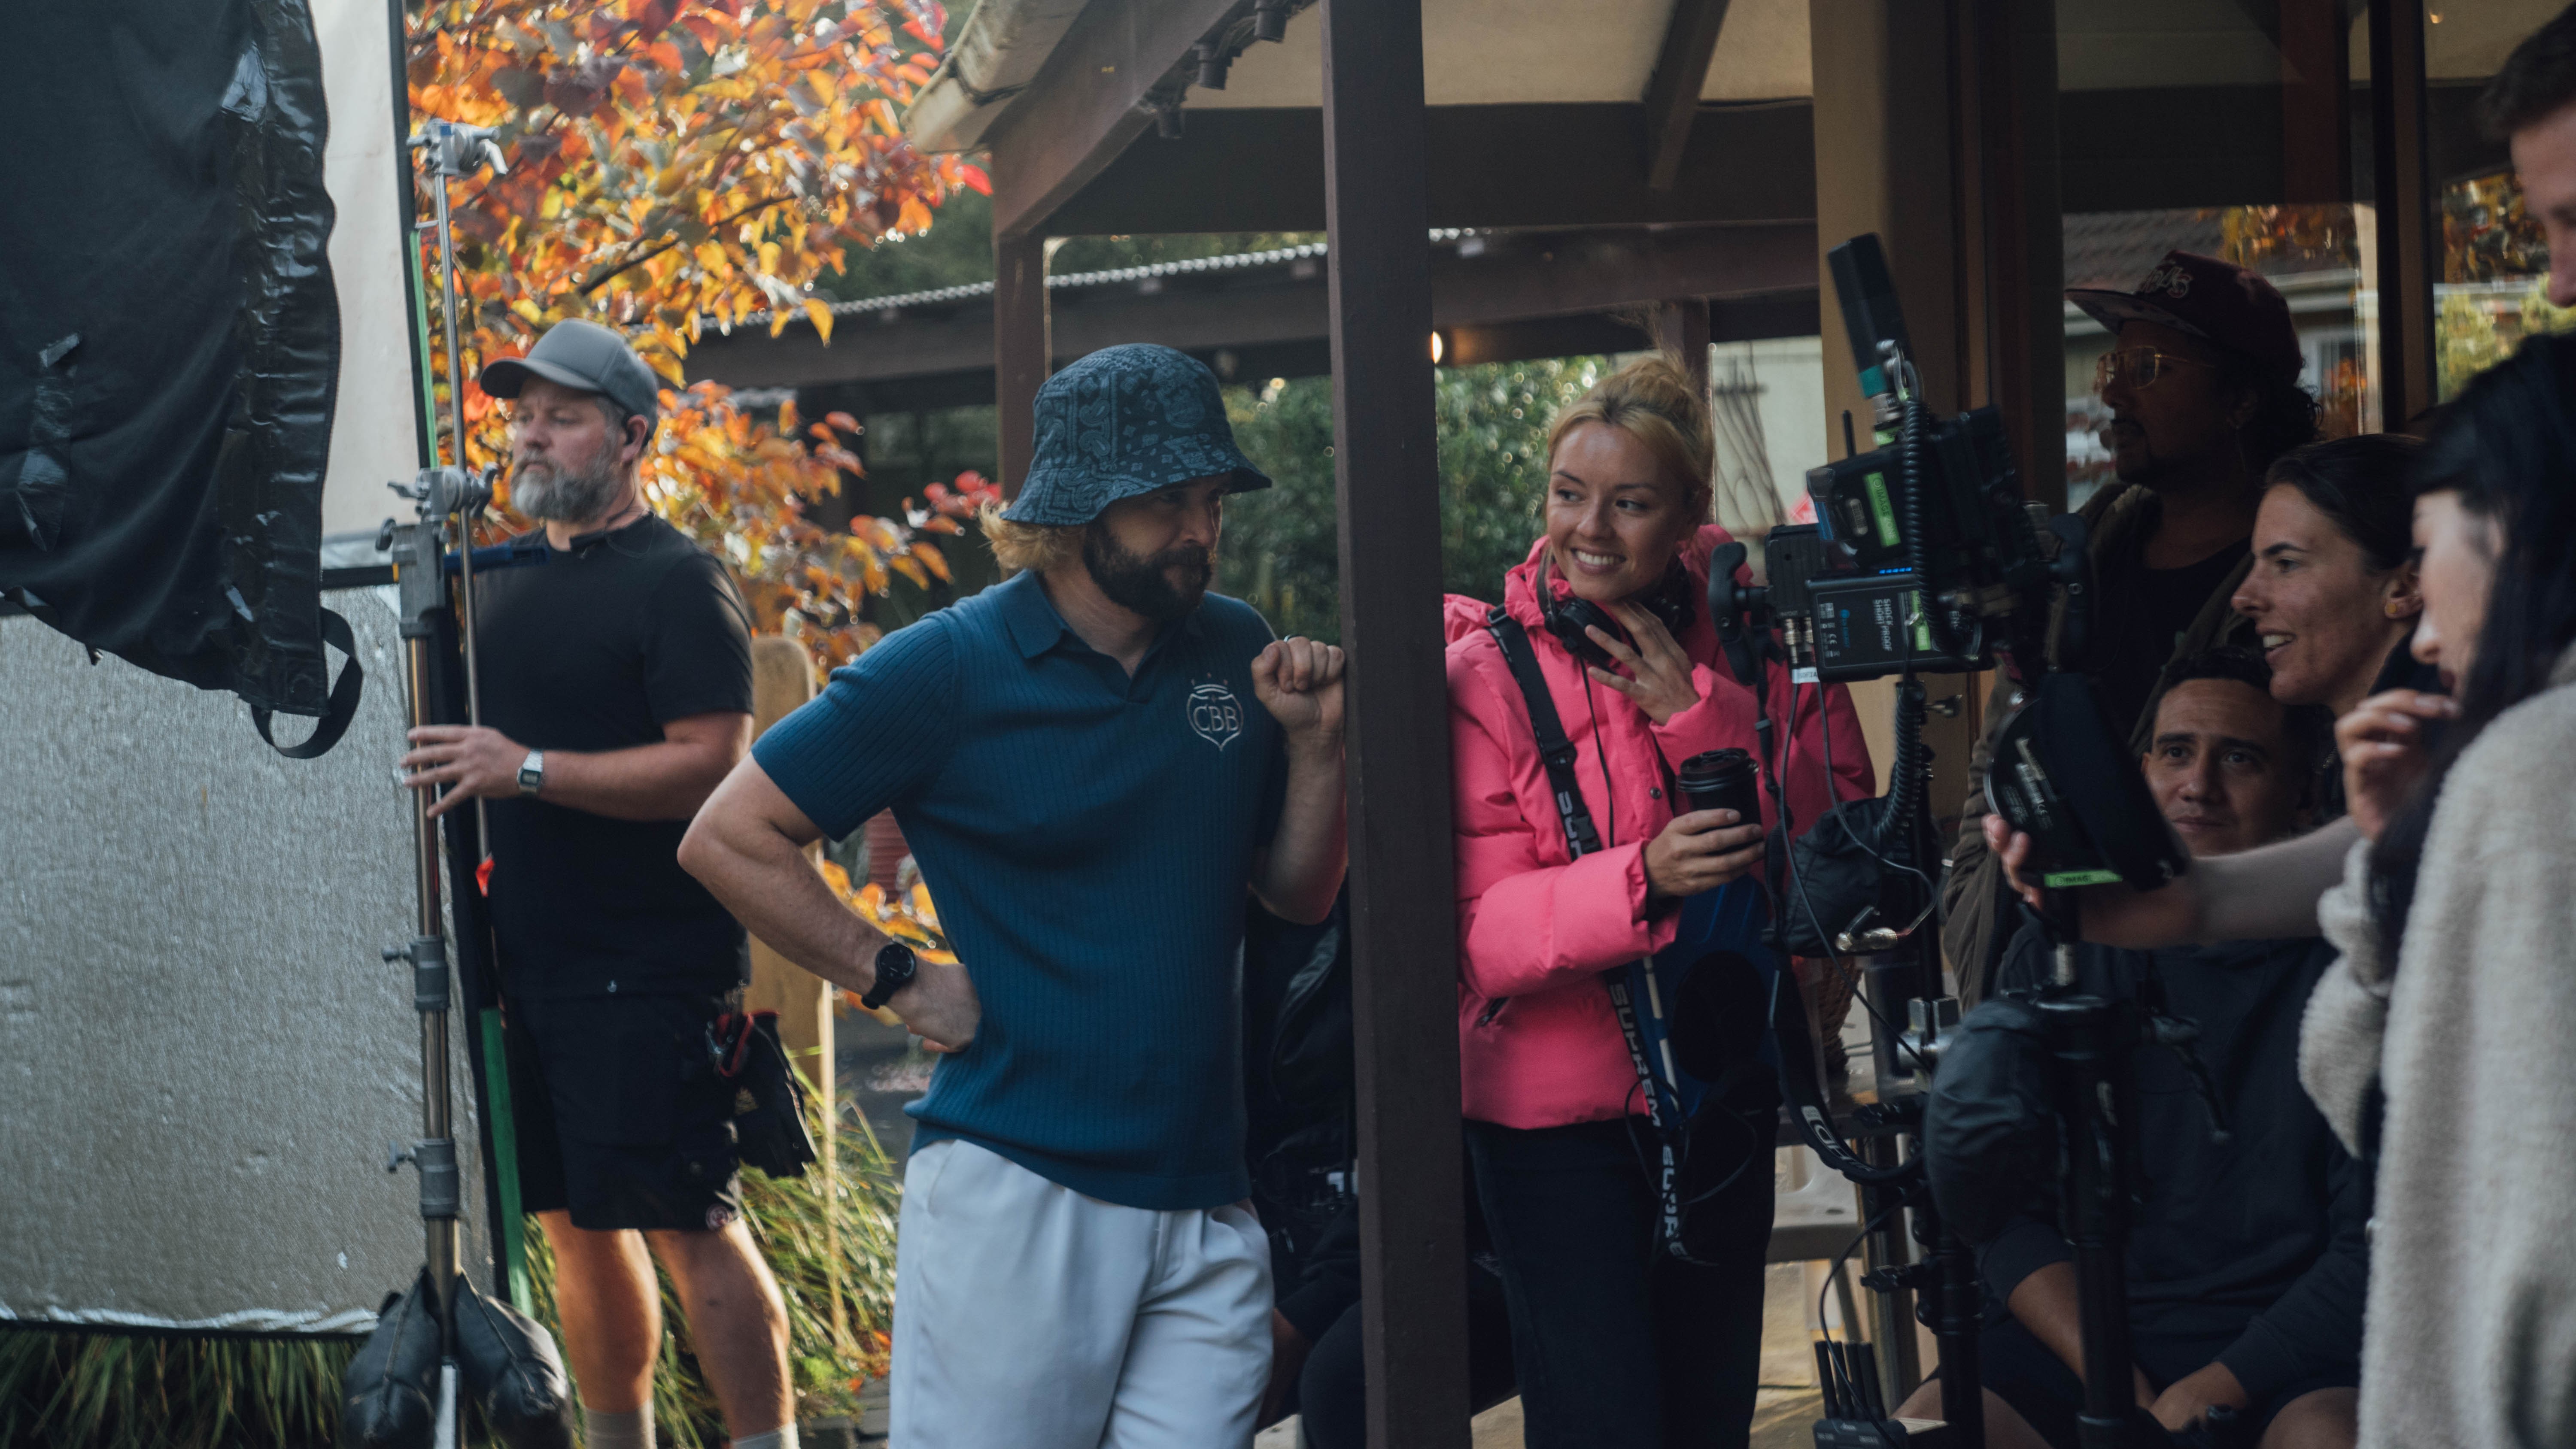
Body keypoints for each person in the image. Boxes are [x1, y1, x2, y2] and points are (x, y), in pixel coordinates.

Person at [677, 343, 1349, 1449]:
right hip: (1021, 1186)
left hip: (1208, 1191)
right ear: (1077, 512)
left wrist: (1317, 751)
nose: (1202, 528)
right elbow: (728, 835)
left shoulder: (1235, 648)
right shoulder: (948, 666)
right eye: (1168, 503)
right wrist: (896, 976)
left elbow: (1294, 897)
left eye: (1211, 500)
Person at [1986, 333, 2576, 1448]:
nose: (2431, 631)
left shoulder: (2531, 761)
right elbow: (2229, 903)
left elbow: (2397, 1105)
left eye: (2438, 563)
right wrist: (2125, 908)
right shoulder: (2466, 760)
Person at [1444, 356, 1875, 1448]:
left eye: (1629, 502)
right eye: (1568, 494)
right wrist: (1646, 878)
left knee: (1708, 1415)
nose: (1590, 528)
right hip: (1550, 1122)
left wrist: (1703, 716)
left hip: (1716, 1089)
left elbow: (1841, 849)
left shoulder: (1758, 639)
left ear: (1688, 513)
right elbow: (1485, 937)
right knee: (1601, 1422)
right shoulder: (1484, 671)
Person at [396, 319, 789, 1449]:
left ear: (631, 438)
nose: (530, 441)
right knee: (573, 1227)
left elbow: (715, 764)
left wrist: (522, 770)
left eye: (561, 420)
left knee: (689, 1224)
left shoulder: (679, 580)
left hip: (651, 964)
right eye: (521, 420)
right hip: (528, 963)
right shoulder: (499, 578)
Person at [1902, 649, 2360, 1449]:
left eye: (2241, 758)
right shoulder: (2062, 950)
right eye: (2176, 752)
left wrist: (2207, 1393)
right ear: (2138, 771)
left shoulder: (2352, 971)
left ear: (2303, 795)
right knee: (1921, 1433)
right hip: (2089, 1341)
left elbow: (2375, 1245)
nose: (2199, 785)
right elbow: (1996, 1215)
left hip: (2290, 1352)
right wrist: (2125, 1387)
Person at [1943, 252, 2322, 1001]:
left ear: (2240, 400)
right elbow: (1997, 759)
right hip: (2036, 973)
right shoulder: (2072, 562)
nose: (2113, 390)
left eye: (2148, 367)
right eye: (2114, 364)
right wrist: (1974, 904)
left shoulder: (2299, 586)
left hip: (2221, 989)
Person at [2231, 436, 2429, 813]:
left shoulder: (2444, 754)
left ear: (2407, 587)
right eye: (2256, 565)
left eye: (2286, 564)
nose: (2243, 598)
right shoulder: (2360, 746)